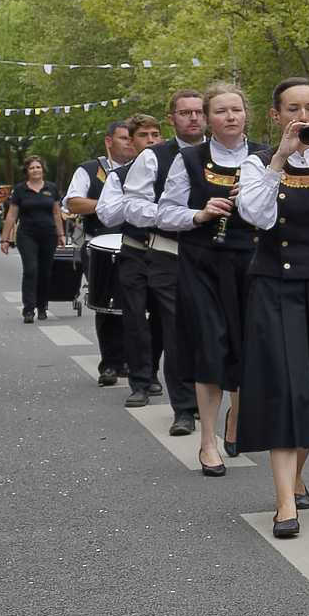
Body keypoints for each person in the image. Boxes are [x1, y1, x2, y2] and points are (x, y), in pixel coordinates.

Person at [236, 78, 309, 535]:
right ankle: (285, 502)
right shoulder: (257, 164)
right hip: (277, 287)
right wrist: (279, 160)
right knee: (286, 389)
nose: (303, 117)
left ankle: (297, 476)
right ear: (276, 115)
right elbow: (257, 215)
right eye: (293, 109)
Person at [140, 84, 256, 476]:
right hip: (203, 264)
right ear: (207, 119)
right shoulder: (189, 158)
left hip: (252, 263)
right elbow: (164, 213)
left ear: (246, 114)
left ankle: (237, 416)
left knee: (247, 347)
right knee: (210, 347)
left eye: (236, 109)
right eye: (220, 111)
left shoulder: (264, 156)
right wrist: (199, 214)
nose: (230, 117)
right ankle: (208, 440)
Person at [109, 96, 207, 435]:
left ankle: (231, 410)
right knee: (173, 331)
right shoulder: (154, 157)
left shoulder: (231, 153)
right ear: (172, 118)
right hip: (168, 252)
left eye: (199, 112)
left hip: (220, 255)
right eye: (185, 112)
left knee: (215, 332)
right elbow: (132, 207)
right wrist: (187, 217)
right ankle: (183, 406)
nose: (193, 118)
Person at [67, 121, 137, 384]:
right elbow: (73, 202)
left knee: (135, 303)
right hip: (99, 244)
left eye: (132, 138)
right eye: (123, 138)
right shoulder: (89, 169)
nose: (129, 142)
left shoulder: (144, 168)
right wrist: (110, 204)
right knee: (106, 303)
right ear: (109, 141)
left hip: (136, 243)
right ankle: (110, 363)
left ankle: (131, 359)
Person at [0, 155, 64, 324]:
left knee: (45, 272)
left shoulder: (51, 188)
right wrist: (5, 239)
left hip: (48, 235)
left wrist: (61, 234)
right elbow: (12, 215)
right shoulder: (20, 190)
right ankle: (28, 309)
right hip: (27, 235)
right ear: (27, 171)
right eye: (32, 168)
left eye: (38, 167)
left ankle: (42, 306)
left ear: (43, 169)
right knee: (31, 270)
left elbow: (56, 213)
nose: (35, 170)